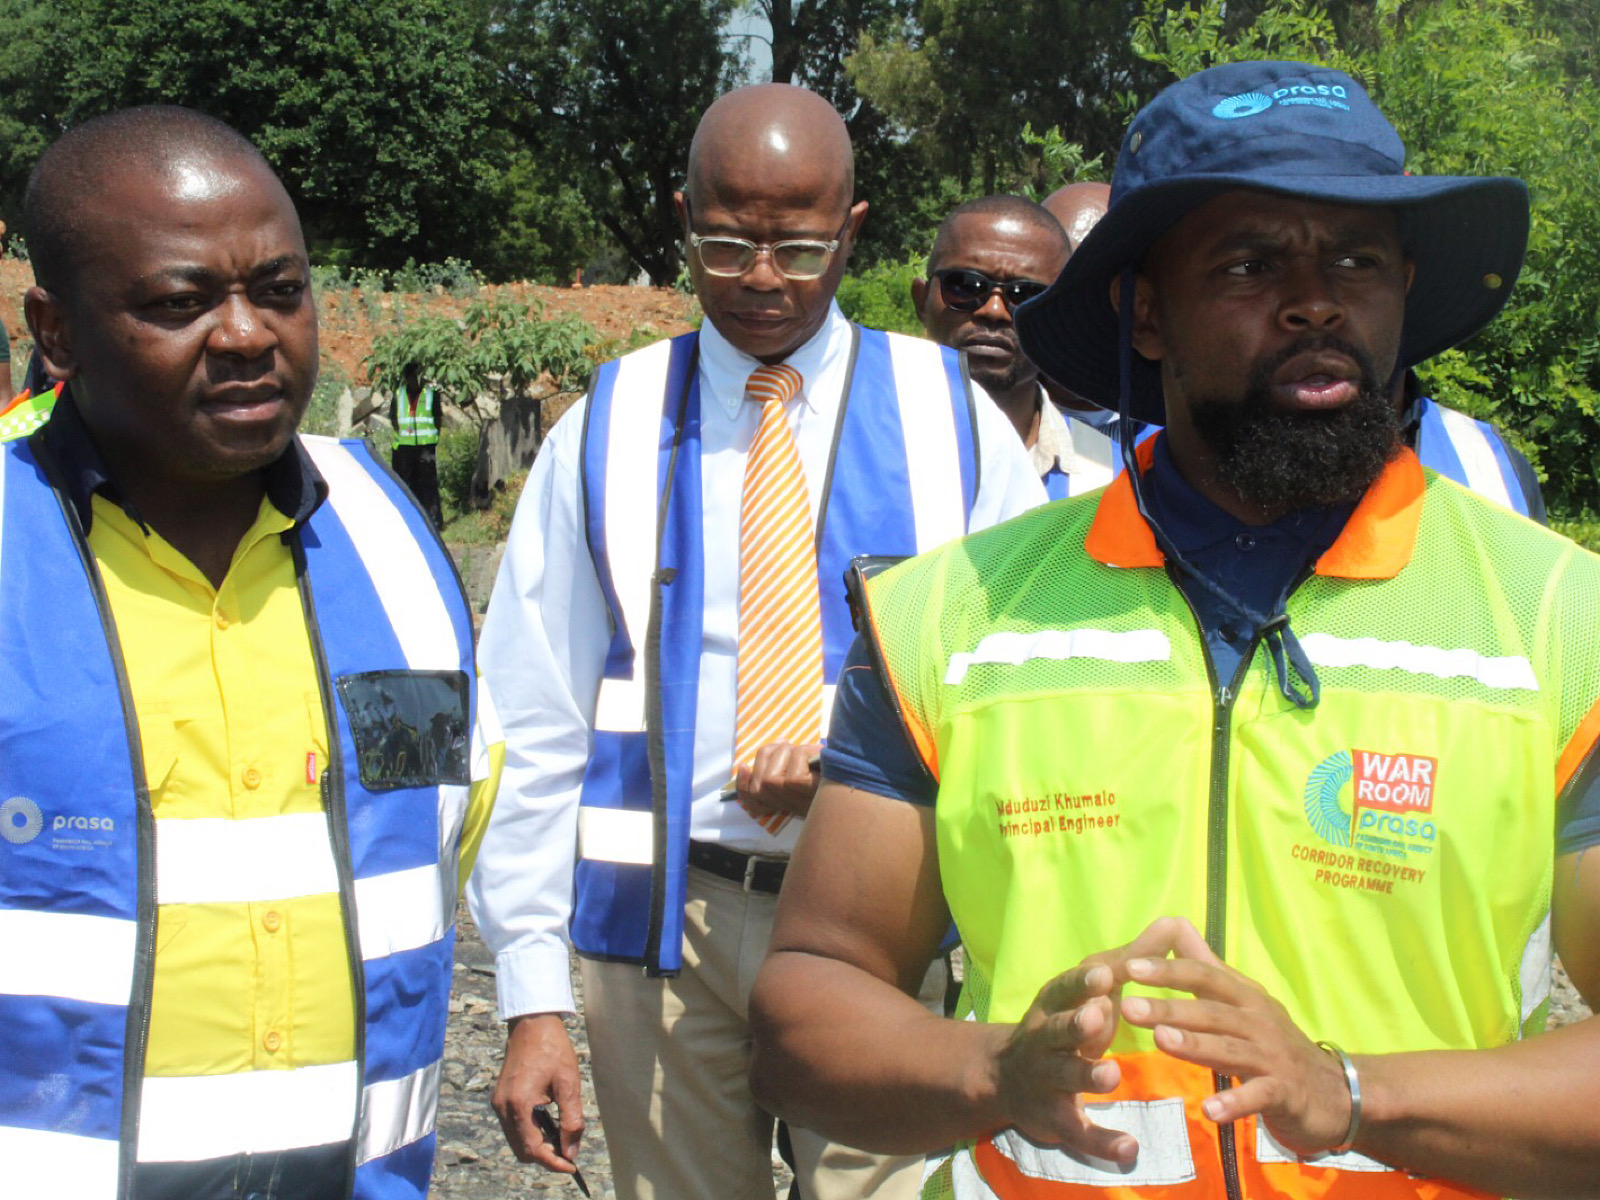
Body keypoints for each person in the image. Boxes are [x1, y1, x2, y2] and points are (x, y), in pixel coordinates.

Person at [749, 60, 1600, 1200]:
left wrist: (1351, 1094)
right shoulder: (951, 619)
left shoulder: (1561, 624)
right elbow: (809, 996)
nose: (1313, 302)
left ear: (1403, 288)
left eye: (1355, 261)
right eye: (1249, 263)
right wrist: (994, 1069)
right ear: (1144, 312)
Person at [469, 82, 1044, 1200]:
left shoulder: (956, 423)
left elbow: (1022, 682)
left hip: (885, 926)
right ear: (682, 220)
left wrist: (854, 765)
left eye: (801, 248)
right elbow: (533, 717)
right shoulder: (608, 426)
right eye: (727, 245)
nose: (764, 279)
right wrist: (531, 995)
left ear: (854, 230)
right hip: (664, 933)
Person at [0, 106, 502, 1200]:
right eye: (180, 302)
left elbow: (445, 829)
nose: (245, 334)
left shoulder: (386, 532)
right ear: (58, 331)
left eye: (279, 290)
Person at [913, 195, 1112, 500]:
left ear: (1062, 319)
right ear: (921, 300)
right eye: (965, 286)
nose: (994, 311)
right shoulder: (861, 442)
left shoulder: (1109, 477)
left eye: (1026, 295)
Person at [390, 361, 444, 527]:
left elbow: (437, 417)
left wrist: (434, 436)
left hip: (425, 445)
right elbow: (393, 418)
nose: (415, 380)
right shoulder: (398, 394)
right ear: (407, 378)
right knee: (407, 484)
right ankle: (410, 520)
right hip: (404, 447)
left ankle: (434, 522)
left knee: (428, 483)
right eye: (412, 377)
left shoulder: (431, 394)